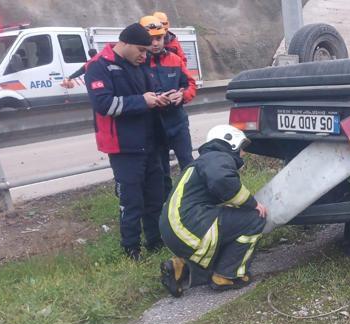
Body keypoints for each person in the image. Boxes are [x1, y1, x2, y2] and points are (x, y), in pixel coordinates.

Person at [84, 23, 169, 260]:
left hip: (150, 142)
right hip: (123, 146)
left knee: (155, 196)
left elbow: (148, 94)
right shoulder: (98, 67)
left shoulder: (139, 65)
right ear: (126, 44)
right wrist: (143, 101)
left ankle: (155, 241)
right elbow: (105, 105)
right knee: (131, 200)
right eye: (141, 50)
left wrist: (160, 98)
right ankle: (131, 248)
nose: (144, 55)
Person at [158, 125, 268, 297]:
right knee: (254, 218)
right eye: (242, 148)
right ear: (231, 143)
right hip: (188, 227)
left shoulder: (205, 160)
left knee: (229, 222)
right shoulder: (219, 157)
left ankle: (181, 267)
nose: (244, 153)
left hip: (176, 230)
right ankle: (227, 276)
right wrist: (251, 203)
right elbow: (222, 180)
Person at [140, 15, 197, 198]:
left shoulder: (175, 59)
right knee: (161, 169)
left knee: (188, 164)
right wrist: (155, 99)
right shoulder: (138, 63)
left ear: (165, 37)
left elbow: (190, 84)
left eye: (159, 38)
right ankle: (166, 203)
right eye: (151, 39)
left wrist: (182, 95)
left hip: (177, 121)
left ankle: (192, 199)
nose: (155, 43)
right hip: (154, 125)